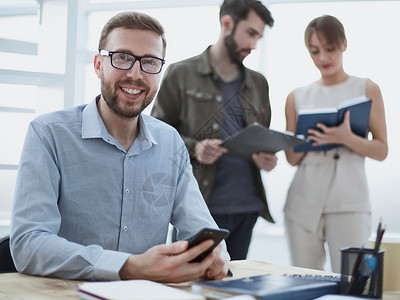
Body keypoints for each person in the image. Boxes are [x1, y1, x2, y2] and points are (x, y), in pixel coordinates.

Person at [10, 11, 229, 282]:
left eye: (149, 62)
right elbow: (27, 245)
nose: (135, 74)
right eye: (122, 57)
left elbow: (201, 228)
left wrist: (216, 254)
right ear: (99, 65)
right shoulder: (48, 134)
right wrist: (128, 266)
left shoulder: (170, 142)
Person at [151, 0, 277, 260]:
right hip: (198, 208)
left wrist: (265, 157)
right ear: (227, 23)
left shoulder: (259, 83)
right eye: (250, 33)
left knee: (233, 289)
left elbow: (262, 137)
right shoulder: (180, 74)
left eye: (258, 37)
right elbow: (157, 135)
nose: (253, 45)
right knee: (187, 286)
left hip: (247, 208)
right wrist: (195, 148)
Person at [284, 15, 388, 273]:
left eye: (329, 49)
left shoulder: (367, 88)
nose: (322, 58)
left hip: (349, 200)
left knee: (353, 283)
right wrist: (303, 140)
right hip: (303, 201)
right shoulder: (296, 96)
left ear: (343, 44)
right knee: (304, 281)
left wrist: (346, 138)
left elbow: (382, 149)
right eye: (314, 51)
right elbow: (292, 158)